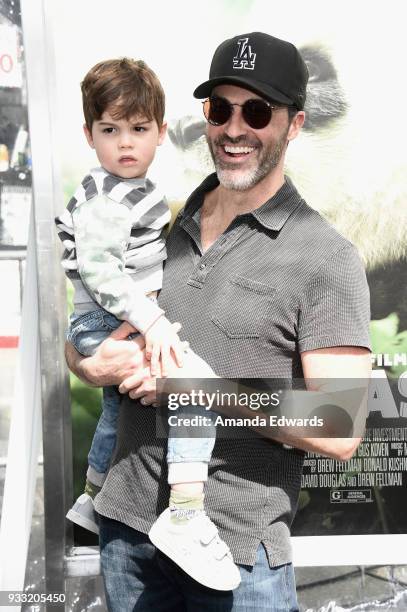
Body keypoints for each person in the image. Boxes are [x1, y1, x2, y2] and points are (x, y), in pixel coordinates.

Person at [66, 32, 371, 611]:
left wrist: (192, 392)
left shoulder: (325, 256)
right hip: (125, 535)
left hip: (235, 554)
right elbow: (89, 332)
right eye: (220, 108)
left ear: (296, 124)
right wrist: (90, 363)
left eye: (257, 111)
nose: (235, 128)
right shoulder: (162, 226)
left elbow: (339, 425)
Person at [56, 57, 240, 590]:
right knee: (194, 385)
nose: (125, 143)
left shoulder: (324, 251)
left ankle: (92, 497)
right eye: (110, 130)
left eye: (138, 129)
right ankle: (184, 514)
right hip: (110, 322)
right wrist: (139, 330)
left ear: (162, 132)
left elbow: (336, 419)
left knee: (134, 402)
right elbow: (99, 274)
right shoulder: (110, 197)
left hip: (247, 529)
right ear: (89, 135)